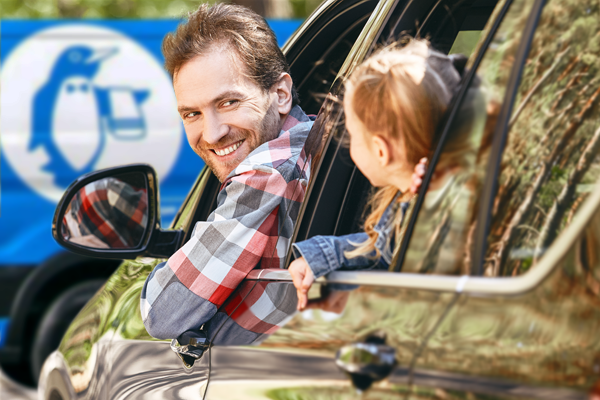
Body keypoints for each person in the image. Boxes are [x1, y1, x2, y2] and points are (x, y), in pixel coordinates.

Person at [140, 4, 315, 340]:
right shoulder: (313, 140)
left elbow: (163, 313)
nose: (212, 133)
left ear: (280, 94)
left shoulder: (266, 172)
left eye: (228, 103)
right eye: (192, 114)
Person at [289, 39, 483, 311]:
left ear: (381, 151)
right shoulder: (406, 204)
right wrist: (320, 255)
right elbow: (383, 246)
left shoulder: (435, 209)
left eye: (353, 135)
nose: (349, 143)